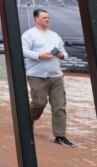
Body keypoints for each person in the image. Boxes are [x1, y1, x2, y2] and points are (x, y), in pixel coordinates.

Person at [22, 8, 74, 148]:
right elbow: (23, 50)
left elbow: (64, 52)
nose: (47, 20)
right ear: (36, 19)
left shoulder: (54, 35)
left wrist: (62, 55)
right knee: (39, 103)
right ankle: (28, 120)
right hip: (37, 75)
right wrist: (39, 55)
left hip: (56, 75)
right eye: (44, 17)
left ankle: (60, 136)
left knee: (59, 106)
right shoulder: (29, 35)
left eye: (48, 17)